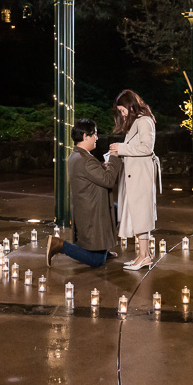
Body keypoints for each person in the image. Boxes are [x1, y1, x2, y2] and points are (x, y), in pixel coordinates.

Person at [46, 118, 123, 268]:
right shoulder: (87, 160)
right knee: (96, 261)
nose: (97, 138)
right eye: (94, 134)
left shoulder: (76, 155)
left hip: (87, 208)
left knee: (117, 210)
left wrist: (101, 166)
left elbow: (89, 174)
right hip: (93, 213)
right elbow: (107, 180)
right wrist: (114, 158)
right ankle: (60, 245)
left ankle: (103, 250)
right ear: (85, 136)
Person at [109, 89, 161, 271]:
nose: (122, 115)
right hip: (135, 174)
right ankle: (142, 255)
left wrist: (121, 149)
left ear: (131, 106)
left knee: (141, 214)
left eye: (123, 110)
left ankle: (144, 256)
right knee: (137, 214)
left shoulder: (144, 121)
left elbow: (147, 148)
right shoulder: (137, 122)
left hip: (141, 175)